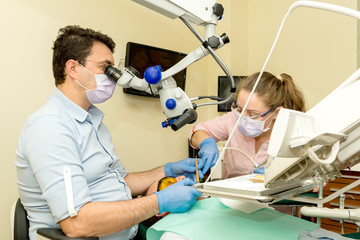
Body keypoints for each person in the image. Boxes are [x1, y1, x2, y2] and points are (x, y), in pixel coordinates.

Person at [15, 25, 204, 240]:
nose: (114, 78)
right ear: (73, 68)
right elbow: (77, 224)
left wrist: (167, 170)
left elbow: (119, 180)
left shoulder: (92, 120)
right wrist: (159, 202)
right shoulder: (50, 127)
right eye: (105, 68)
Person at [189, 71, 306, 179]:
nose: (243, 118)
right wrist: (206, 143)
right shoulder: (232, 120)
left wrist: (284, 178)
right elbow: (198, 131)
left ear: (276, 113)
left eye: (252, 114)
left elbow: (315, 178)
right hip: (232, 198)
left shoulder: (296, 134)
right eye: (240, 109)